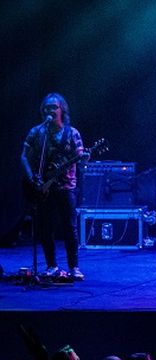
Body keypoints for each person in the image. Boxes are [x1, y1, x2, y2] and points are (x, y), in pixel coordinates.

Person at [20, 92, 88, 280]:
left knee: (70, 227)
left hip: (67, 187)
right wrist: (31, 177)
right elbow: (24, 156)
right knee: (45, 228)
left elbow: (81, 155)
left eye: (54, 107)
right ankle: (51, 266)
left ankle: (74, 267)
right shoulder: (37, 131)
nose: (50, 110)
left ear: (62, 110)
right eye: (47, 107)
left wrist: (84, 157)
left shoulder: (72, 133)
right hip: (43, 187)